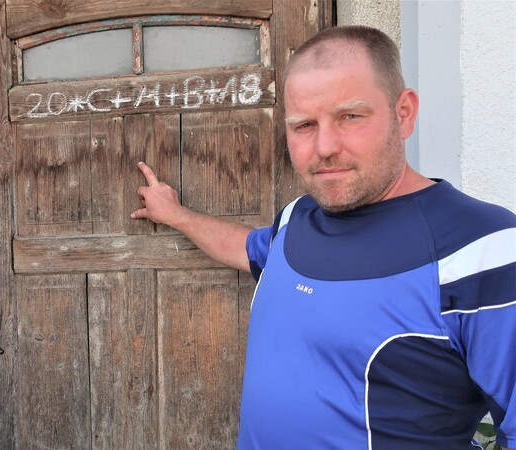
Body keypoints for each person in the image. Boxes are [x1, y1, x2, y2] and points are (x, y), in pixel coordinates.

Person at [131, 25, 515, 449]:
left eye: (350, 116)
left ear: (403, 112)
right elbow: (245, 248)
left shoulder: (484, 250)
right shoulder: (296, 220)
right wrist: (176, 215)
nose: (325, 146)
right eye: (304, 125)